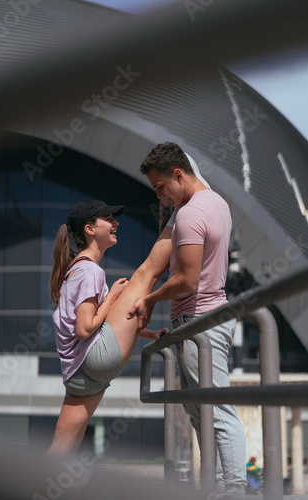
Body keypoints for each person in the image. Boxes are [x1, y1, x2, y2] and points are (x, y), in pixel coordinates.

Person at [127, 142, 247, 498]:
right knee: (199, 411)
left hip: (200, 322)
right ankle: (218, 487)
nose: (161, 198)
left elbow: (186, 281)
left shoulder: (193, 213)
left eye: (161, 187)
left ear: (178, 174)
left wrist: (148, 298)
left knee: (215, 410)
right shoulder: (217, 203)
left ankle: (233, 489)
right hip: (202, 320)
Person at [47, 199, 168, 455]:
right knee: (146, 275)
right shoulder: (90, 271)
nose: (116, 223)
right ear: (90, 229)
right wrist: (112, 295)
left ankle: (42, 489)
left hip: (79, 373)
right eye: (108, 219)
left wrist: (149, 333)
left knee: (63, 444)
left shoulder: (76, 269)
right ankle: (177, 217)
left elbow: (104, 322)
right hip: (94, 357)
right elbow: (85, 328)